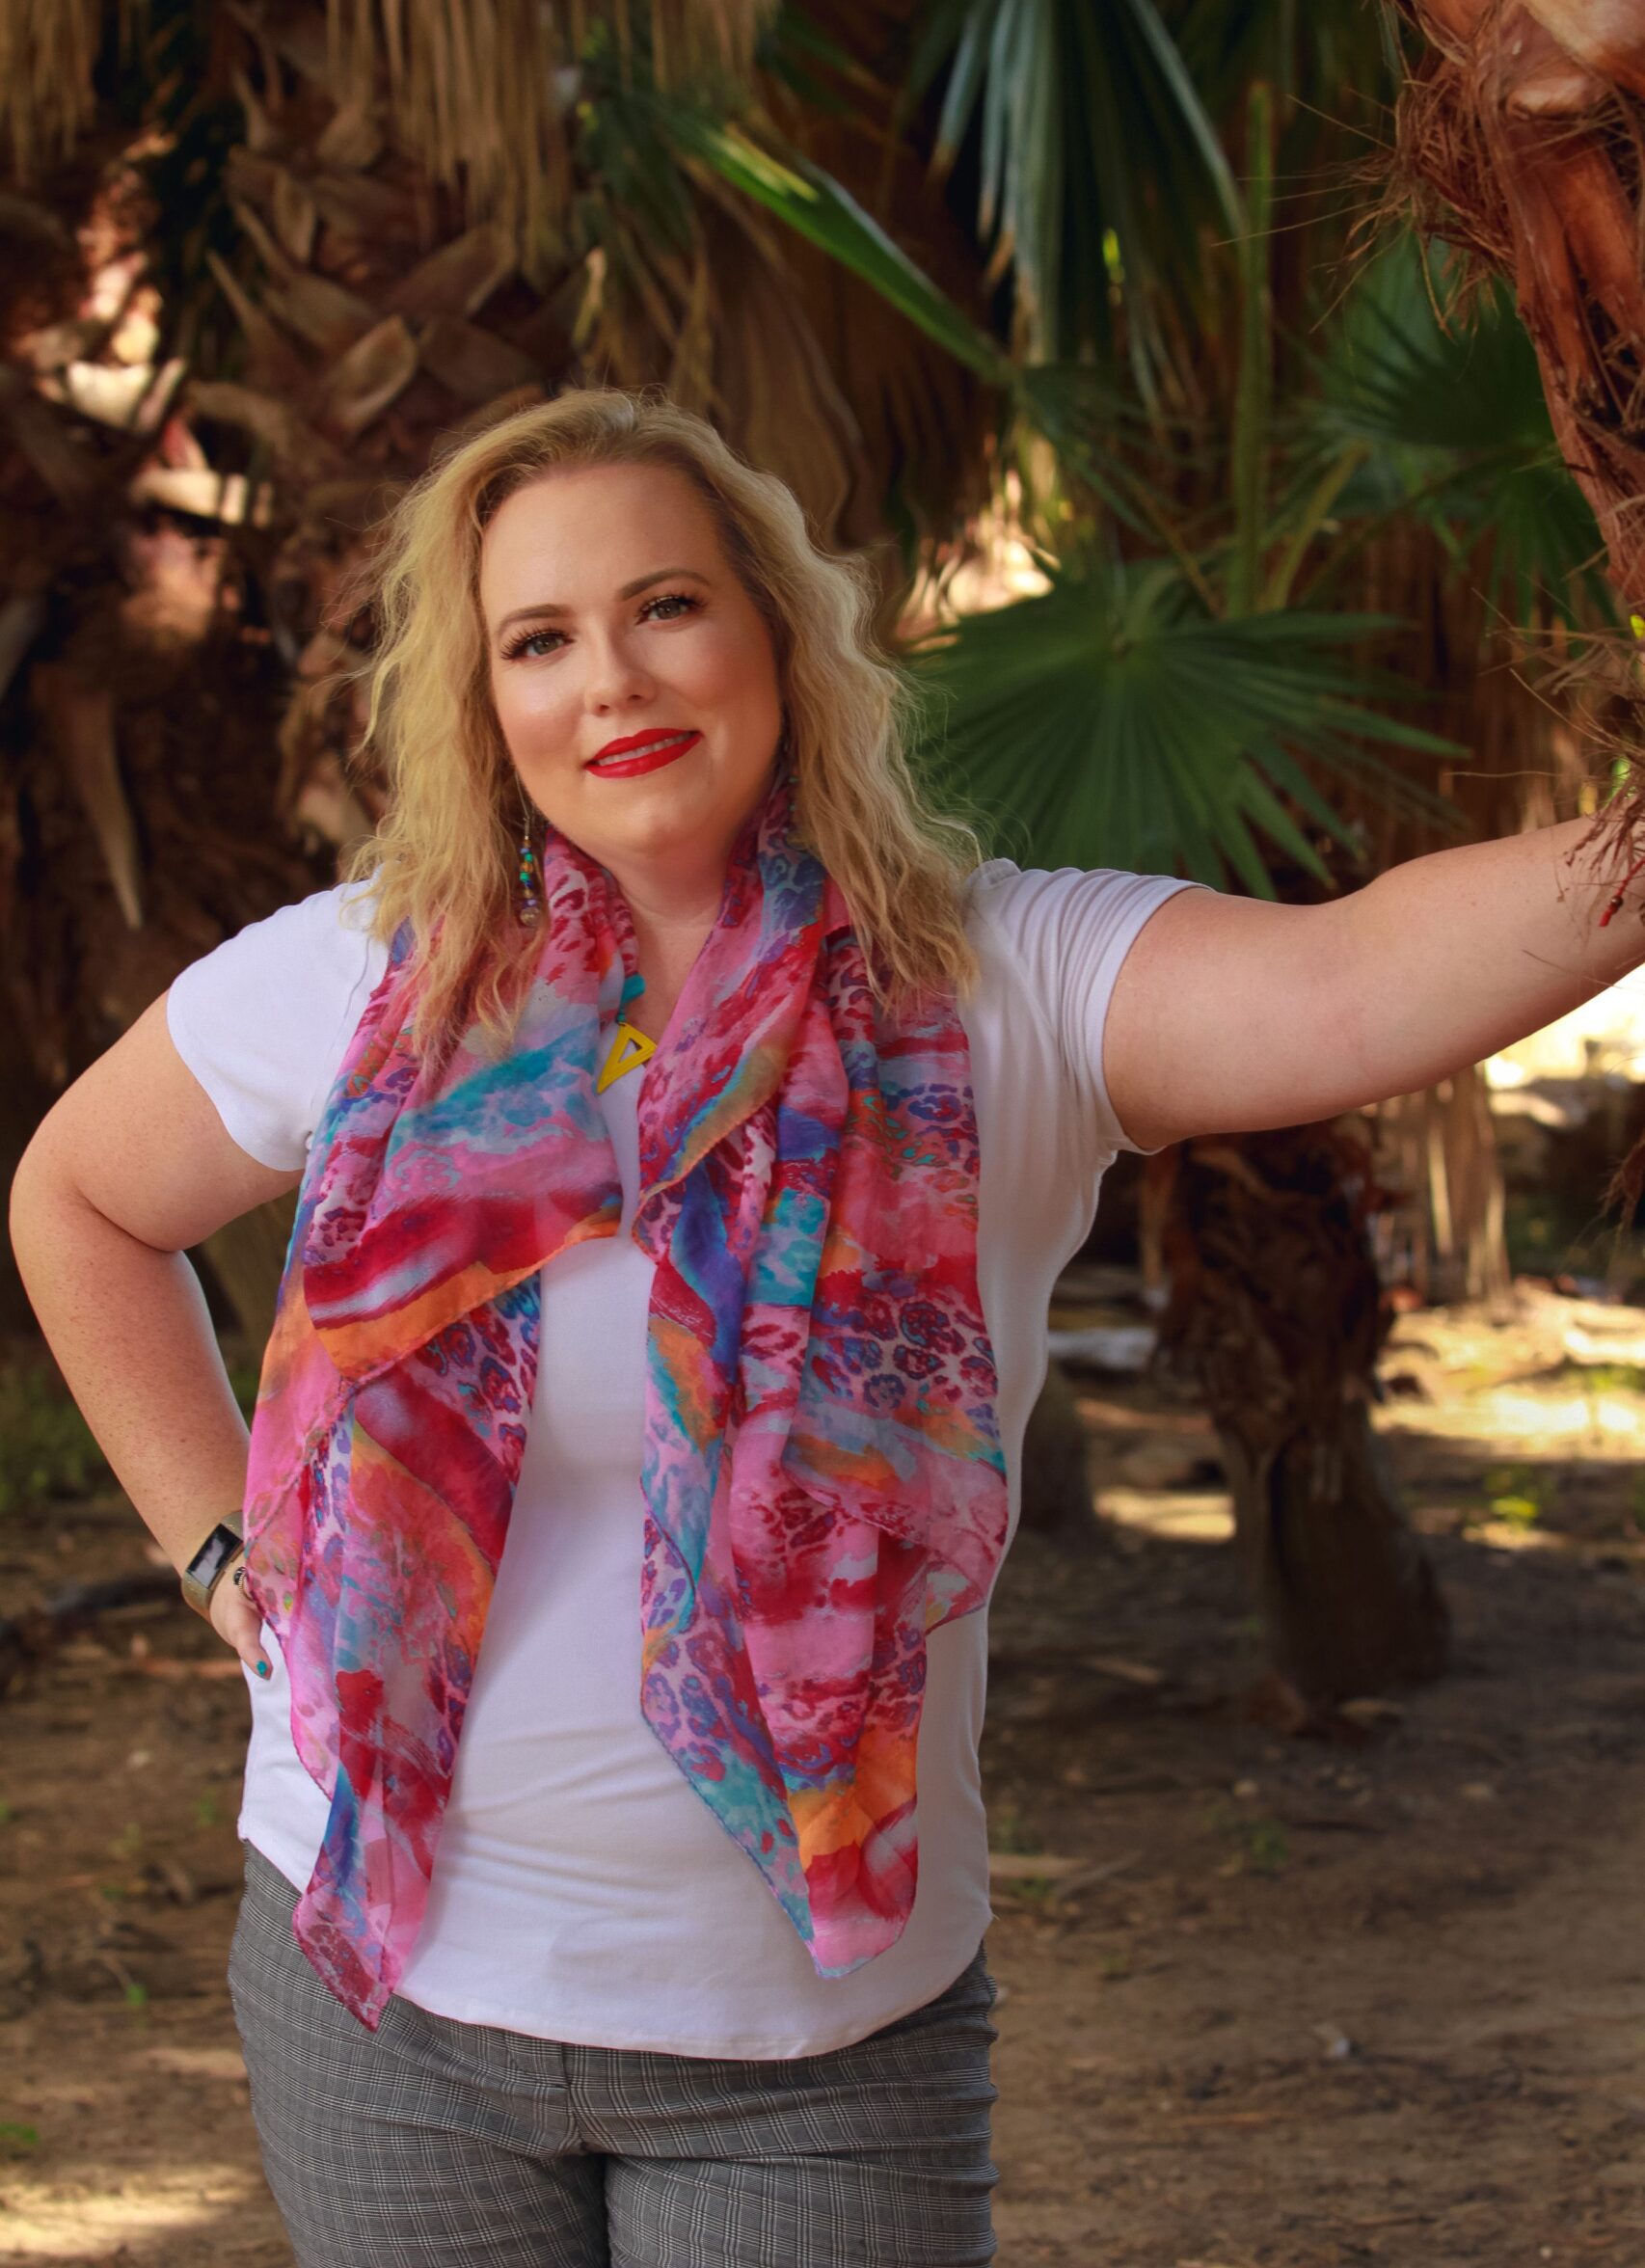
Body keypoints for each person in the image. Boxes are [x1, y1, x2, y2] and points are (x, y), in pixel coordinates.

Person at [10, 387, 1644, 2267]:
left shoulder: (993, 986)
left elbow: (1359, 973)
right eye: (539, 637)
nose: (610, 676)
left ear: (777, 631)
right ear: (482, 698)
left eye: (666, 605)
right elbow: (80, 1202)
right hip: (385, 2000)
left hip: (810, 2050)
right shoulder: (360, 981)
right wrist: (223, 1550)